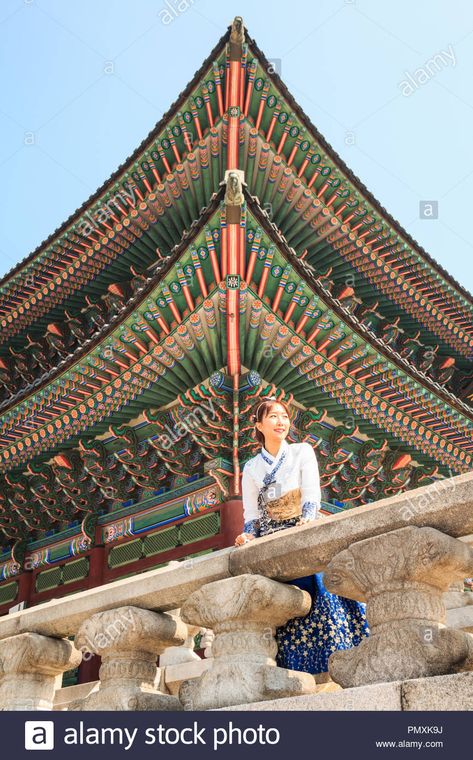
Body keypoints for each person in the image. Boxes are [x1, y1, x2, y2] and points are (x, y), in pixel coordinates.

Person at [235, 397, 369, 675]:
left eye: (284, 416)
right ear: (259, 425)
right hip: (271, 541)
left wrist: (307, 519)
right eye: (272, 417)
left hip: (301, 528)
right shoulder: (251, 468)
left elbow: (311, 494)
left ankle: (340, 662)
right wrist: (248, 535)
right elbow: (251, 514)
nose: (280, 422)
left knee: (323, 591)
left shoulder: (301, 452)